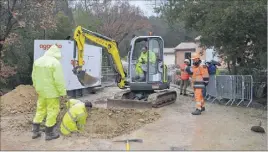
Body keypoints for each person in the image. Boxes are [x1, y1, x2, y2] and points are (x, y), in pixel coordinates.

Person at [31, 44, 67, 140]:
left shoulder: (37, 61)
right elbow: (58, 80)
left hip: (41, 91)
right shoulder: (55, 63)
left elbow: (33, 76)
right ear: (56, 54)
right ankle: (49, 133)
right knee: (52, 110)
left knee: (40, 109)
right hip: (52, 92)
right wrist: (62, 92)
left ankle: (35, 131)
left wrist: (36, 87)